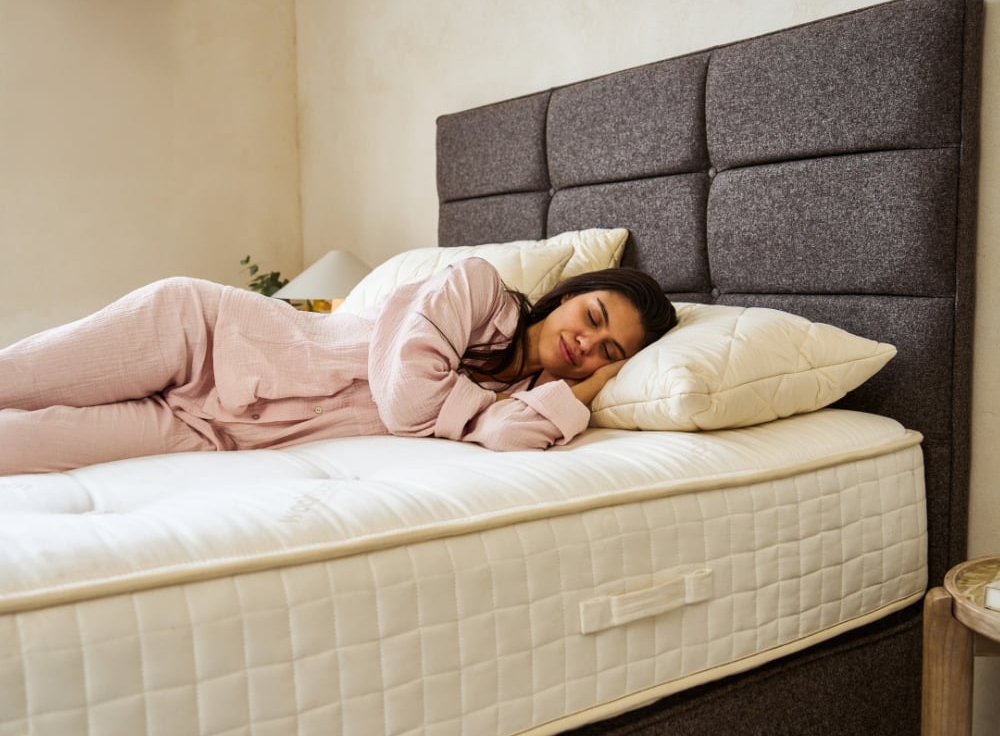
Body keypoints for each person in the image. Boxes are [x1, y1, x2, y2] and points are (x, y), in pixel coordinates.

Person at [0, 257, 676, 474]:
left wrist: (587, 390)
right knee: (15, 381)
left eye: (608, 352)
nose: (587, 346)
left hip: (224, 433)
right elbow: (408, 401)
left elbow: (504, 438)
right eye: (591, 319)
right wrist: (468, 414)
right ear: (563, 298)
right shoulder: (476, 289)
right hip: (204, 336)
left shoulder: (524, 407)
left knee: (24, 449)